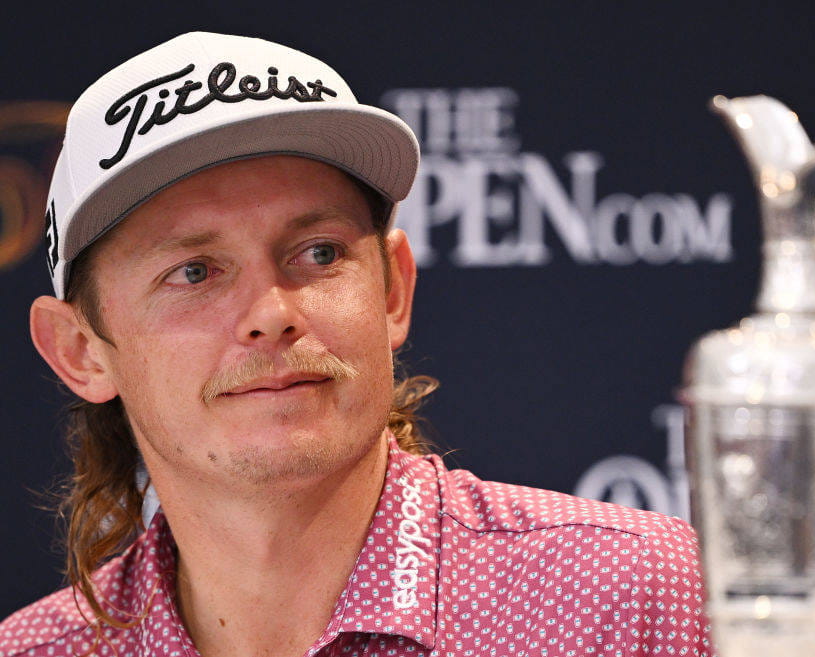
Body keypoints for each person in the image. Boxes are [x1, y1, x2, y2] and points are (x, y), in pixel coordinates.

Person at [0, 32, 714, 657]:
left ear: (393, 289)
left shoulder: (632, 598)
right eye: (194, 271)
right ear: (79, 350)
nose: (271, 313)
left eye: (318, 252)